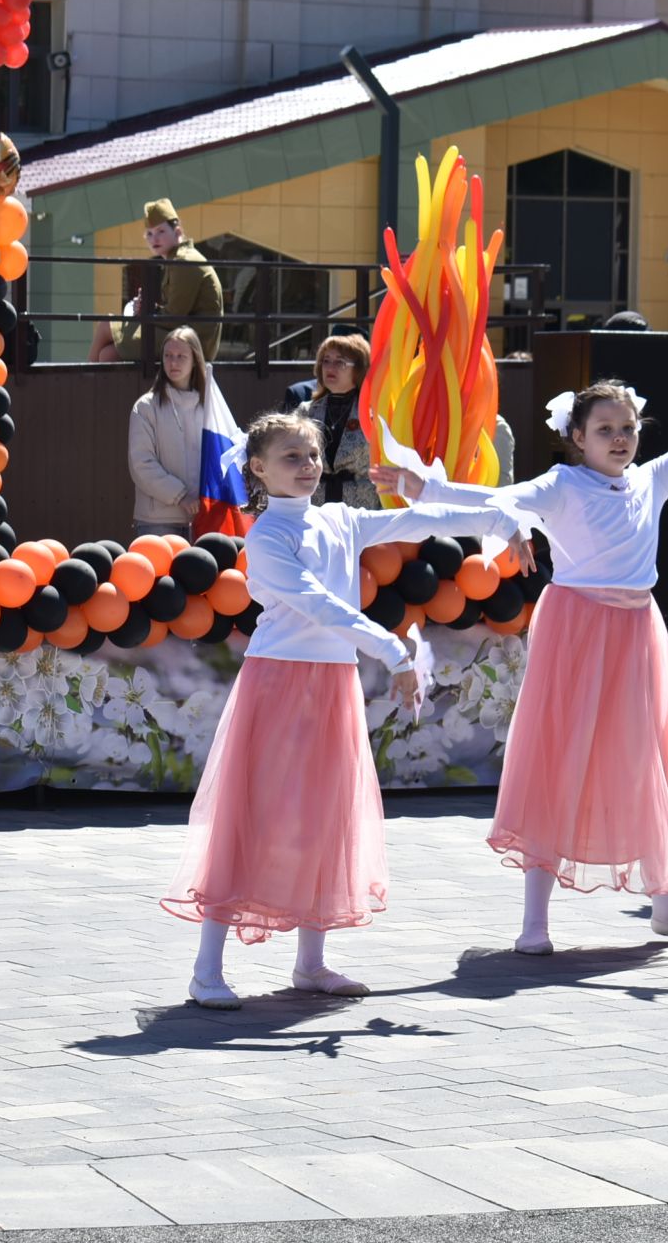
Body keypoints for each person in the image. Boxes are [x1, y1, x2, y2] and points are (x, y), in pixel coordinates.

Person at [373, 345, 668, 951]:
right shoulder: (563, 484)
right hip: (577, 631)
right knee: (562, 756)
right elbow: (493, 500)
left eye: (628, 428)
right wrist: (425, 488)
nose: (620, 439)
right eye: (604, 429)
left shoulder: (652, 478)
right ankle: (535, 921)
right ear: (576, 437)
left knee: (650, 756)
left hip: (637, 630)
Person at [162, 412, 534, 1008]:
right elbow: (316, 604)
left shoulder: (338, 518)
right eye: (291, 457)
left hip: (332, 684)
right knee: (253, 814)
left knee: (323, 815)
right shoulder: (266, 537)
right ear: (258, 469)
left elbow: (416, 518)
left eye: (311, 456)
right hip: (279, 683)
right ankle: (208, 968)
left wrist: (498, 516)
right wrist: (392, 649)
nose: (307, 466)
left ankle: (311, 963)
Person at [90, 199, 223, 363]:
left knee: (105, 326)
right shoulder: (176, 260)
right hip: (184, 334)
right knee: (108, 355)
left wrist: (147, 312)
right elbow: (174, 312)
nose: (154, 239)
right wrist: (147, 308)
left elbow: (173, 316)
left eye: (161, 231)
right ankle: (91, 385)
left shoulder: (184, 261)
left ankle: (81, 383)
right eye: (150, 234)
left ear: (178, 232)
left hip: (193, 341)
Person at [127, 327, 210, 538]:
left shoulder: (209, 406)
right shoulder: (145, 406)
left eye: (181, 356)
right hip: (158, 521)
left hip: (203, 517)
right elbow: (141, 464)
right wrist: (180, 495)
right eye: (168, 356)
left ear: (195, 360)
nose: (173, 362)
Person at [292, 334, 377, 507]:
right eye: (326, 360)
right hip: (314, 507)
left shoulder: (373, 414)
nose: (330, 367)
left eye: (340, 362)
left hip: (360, 509)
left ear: (359, 369)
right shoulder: (305, 411)